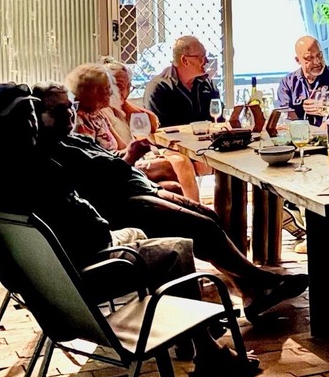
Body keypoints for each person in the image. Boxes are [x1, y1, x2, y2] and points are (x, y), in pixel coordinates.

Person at [0, 83, 259, 377]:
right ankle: (206, 353)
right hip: (83, 274)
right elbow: (91, 231)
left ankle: (191, 336)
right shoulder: (31, 168)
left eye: (31, 114)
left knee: (155, 228)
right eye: (22, 116)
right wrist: (114, 233)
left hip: (43, 285)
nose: (30, 124)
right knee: (176, 248)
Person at [33, 81, 309, 322]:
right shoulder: (51, 151)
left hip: (139, 191)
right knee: (204, 228)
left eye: (71, 106)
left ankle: (250, 291)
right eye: (59, 110)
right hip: (125, 206)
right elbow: (100, 184)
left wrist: (133, 162)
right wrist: (130, 157)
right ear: (36, 115)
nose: (68, 113)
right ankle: (259, 281)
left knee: (210, 217)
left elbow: (107, 163)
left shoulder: (71, 139)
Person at [66, 62, 201, 201]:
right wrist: (130, 155)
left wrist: (134, 149)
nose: (112, 92)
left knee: (175, 185)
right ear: (92, 91)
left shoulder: (98, 114)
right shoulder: (79, 121)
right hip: (110, 177)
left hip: (120, 164)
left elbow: (121, 146)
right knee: (174, 167)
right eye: (107, 88)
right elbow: (95, 167)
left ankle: (200, 213)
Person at [145, 35, 221, 127]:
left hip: (208, 140)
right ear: (185, 60)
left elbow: (219, 119)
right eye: (201, 57)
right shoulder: (159, 88)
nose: (207, 61)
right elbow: (159, 130)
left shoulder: (207, 84)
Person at [274, 35, 329, 122]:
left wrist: (326, 109)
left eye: (319, 55)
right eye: (310, 58)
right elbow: (284, 115)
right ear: (298, 60)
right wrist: (302, 111)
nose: (317, 61)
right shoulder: (287, 83)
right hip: (298, 134)